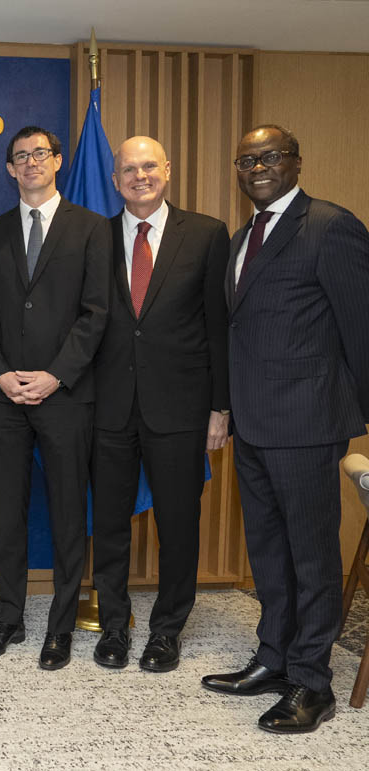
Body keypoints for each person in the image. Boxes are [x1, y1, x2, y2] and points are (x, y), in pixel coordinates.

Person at [202, 125, 369, 734]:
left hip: (307, 422)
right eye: (246, 160)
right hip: (252, 423)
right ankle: (273, 658)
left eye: (269, 157)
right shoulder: (244, 236)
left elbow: (361, 329)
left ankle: (312, 682)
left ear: (297, 162)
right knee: (268, 552)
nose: (257, 168)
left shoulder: (330, 226)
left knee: (312, 556)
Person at [90, 136, 231, 672]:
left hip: (181, 408)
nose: (139, 176)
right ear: (115, 180)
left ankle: (167, 631)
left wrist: (221, 407)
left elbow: (219, 327)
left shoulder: (207, 233)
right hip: (109, 407)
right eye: (129, 169)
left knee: (178, 524)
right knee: (108, 523)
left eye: (149, 166)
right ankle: (114, 627)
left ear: (167, 170)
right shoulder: (95, 237)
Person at [0, 126, 110, 670]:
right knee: (7, 513)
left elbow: (97, 314)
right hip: (4, 397)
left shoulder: (92, 228)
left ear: (57, 162)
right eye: (20, 157)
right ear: (10, 169)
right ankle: (8, 619)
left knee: (67, 514)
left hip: (65, 394)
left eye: (40, 155)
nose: (30, 163)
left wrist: (55, 375)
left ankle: (60, 627)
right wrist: (1, 375)